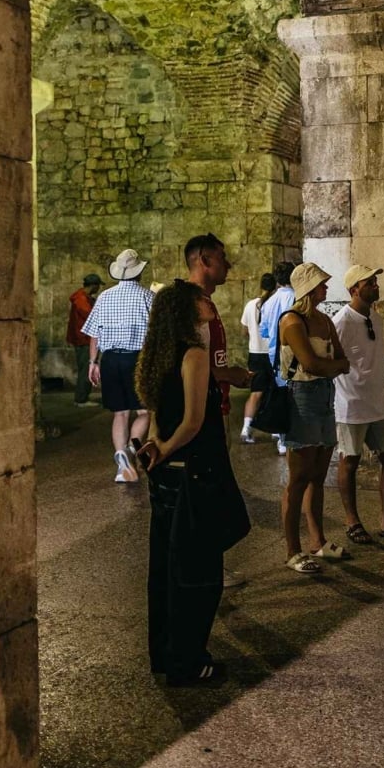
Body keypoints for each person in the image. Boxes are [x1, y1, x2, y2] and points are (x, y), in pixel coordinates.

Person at [135, 281, 247, 686]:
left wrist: (156, 447)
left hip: (166, 477)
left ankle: (166, 655)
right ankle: (189, 662)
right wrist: (165, 448)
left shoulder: (157, 355)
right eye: (202, 300)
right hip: (194, 473)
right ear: (187, 309)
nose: (209, 304)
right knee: (198, 575)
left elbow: (158, 414)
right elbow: (194, 422)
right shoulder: (194, 356)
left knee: (165, 568)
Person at [183, 233, 255, 589]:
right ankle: (204, 568)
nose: (229, 265)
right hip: (205, 410)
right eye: (222, 258)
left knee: (214, 492)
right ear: (203, 261)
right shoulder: (191, 306)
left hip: (218, 404)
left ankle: (211, 565)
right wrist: (231, 374)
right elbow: (191, 365)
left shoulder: (206, 303)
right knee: (206, 492)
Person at [278, 262, 350, 574]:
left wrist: (329, 365)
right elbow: (310, 363)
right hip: (302, 398)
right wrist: (330, 365)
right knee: (298, 477)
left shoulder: (323, 319)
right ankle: (292, 550)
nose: (326, 288)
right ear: (307, 288)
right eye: (321, 284)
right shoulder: (292, 320)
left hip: (324, 396)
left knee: (319, 474)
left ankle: (317, 541)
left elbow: (342, 361)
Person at [333, 265, 384, 545]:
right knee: (350, 461)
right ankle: (352, 520)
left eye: (375, 281)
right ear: (353, 290)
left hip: (377, 403)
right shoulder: (341, 322)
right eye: (369, 282)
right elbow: (333, 361)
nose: (375, 285)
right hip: (351, 404)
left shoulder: (376, 319)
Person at [82, 248, 154, 483]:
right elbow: (156, 334)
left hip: (110, 359)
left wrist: (93, 362)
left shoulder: (104, 297)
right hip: (138, 359)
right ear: (138, 273)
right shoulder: (147, 297)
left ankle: (121, 465)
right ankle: (131, 452)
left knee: (120, 413)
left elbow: (94, 334)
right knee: (144, 411)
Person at [258, 261, 297, 453]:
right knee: (293, 398)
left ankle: (281, 438)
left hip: (274, 355)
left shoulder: (269, 301)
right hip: (292, 354)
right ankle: (291, 437)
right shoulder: (295, 297)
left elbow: (263, 331)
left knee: (280, 394)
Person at [239, 272, 277, 443]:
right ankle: (277, 430)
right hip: (272, 353)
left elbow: (245, 330)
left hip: (255, 353)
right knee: (276, 392)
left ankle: (246, 429)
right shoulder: (275, 304)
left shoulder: (250, 305)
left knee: (256, 393)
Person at [67, 272, 102, 406]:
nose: (99, 288)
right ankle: (81, 399)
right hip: (83, 339)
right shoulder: (81, 300)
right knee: (86, 369)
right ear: (93, 285)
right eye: (98, 285)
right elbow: (90, 315)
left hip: (84, 339)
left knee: (86, 368)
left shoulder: (84, 298)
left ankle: (82, 397)